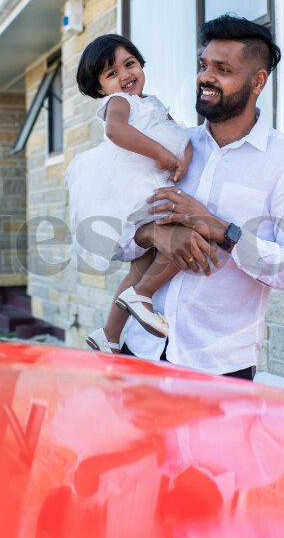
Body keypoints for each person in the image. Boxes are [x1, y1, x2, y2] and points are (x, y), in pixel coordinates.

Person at [116, 14, 284, 380]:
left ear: (258, 80)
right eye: (203, 66)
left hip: (218, 369)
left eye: (223, 69)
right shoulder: (172, 146)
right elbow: (118, 239)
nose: (205, 78)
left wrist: (216, 226)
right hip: (139, 352)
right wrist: (154, 234)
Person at [65, 34, 194, 353]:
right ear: (100, 88)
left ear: (141, 64)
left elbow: (180, 135)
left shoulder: (153, 103)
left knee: (143, 262)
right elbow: (116, 131)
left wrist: (184, 158)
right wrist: (161, 155)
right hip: (137, 190)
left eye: (130, 64)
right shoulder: (118, 103)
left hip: (152, 186)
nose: (124, 75)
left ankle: (109, 333)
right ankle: (143, 295)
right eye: (111, 73)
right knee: (183, 237)